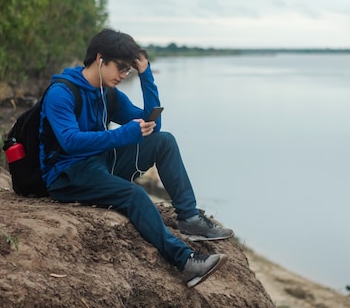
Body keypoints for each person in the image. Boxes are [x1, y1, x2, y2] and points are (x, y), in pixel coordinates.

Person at [38, 28, 234, 288]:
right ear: (100, 58)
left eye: (128, 70)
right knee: (135, 194)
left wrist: (146, 75)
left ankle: (189, 220)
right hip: (68, 174)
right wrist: (123, 134)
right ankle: (186, 262)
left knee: (164, 142)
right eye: (120, 67)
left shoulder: (107, 93)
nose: (123, 74)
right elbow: (70, 142)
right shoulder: (61, 93)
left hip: (98, 162)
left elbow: (154, 126)